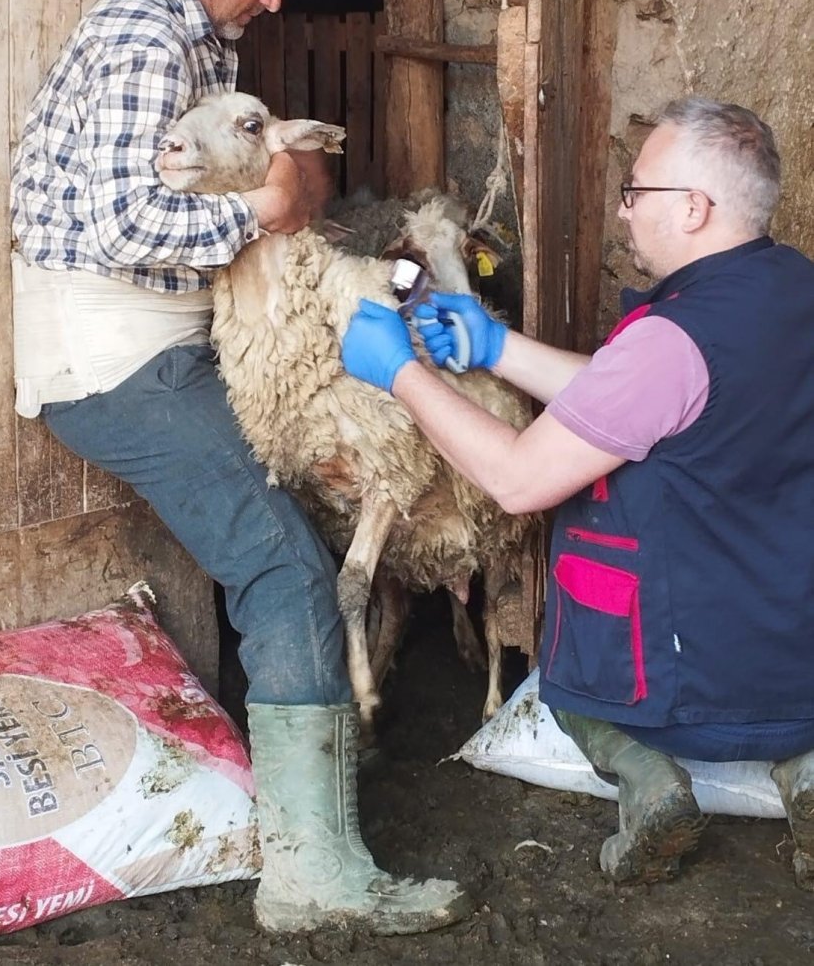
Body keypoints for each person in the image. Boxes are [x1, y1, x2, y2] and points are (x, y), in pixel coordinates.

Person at [10, 0, 471, 936]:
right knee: (287, 568)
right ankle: (313, 875)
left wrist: (291, 190)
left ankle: (317, 764)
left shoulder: (192, 34)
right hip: (119, 355)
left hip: (165, 335)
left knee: (294, 524)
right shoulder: (142, 37)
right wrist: (263, 213)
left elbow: (284, 181)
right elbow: (130, 225)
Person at [341, 97, 814, 888]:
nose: (626, 213)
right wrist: (496, 346)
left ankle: (650, 784)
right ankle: (804, 770)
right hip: (793, 642)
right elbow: (634, 398)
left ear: (695, 208)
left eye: (638, 192)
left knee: (568, 687)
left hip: (685, 663)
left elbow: (521, 478)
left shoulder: (673, 339)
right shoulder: (790, 285)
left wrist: (402, 373)